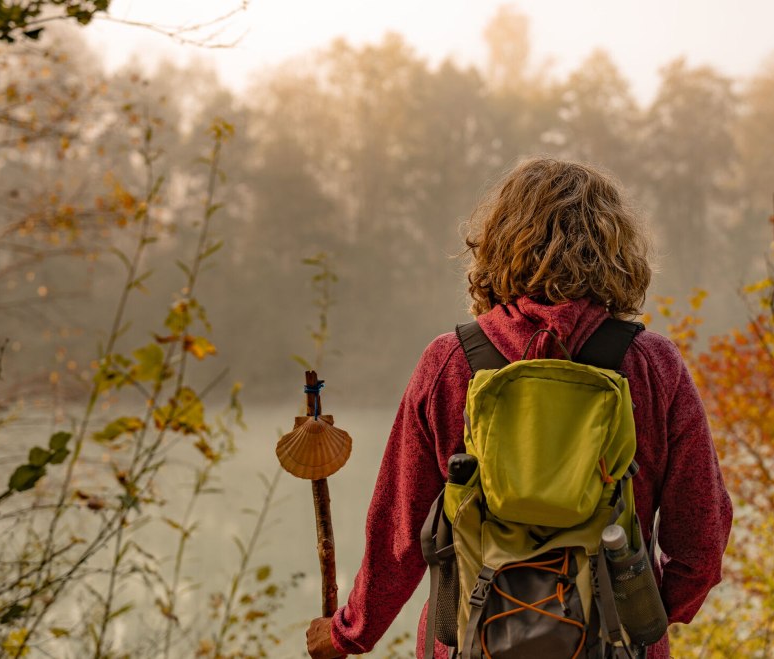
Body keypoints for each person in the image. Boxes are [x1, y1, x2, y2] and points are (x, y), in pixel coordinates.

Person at [306, 157, 732, 658]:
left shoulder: (450, 362)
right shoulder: (653, 365)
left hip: (470, 643)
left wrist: (348, 633)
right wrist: (644, 615)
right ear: (616, 248)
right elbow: (701, 541)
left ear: (498, 245)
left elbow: (398, 536)